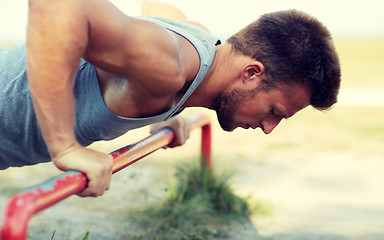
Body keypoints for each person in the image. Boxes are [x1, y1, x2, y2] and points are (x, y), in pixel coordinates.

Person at [0, 0, 341, 198]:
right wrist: (64, 147)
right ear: (252, 73)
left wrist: (171, 110)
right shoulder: (169, 66)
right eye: (274, 112)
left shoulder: (200, 48)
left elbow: (158, 7)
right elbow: (58, 6)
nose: (269, 128)